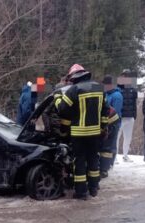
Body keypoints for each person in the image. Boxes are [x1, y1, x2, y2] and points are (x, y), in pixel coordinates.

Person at [55, 64, 109, 200]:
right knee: (93, 160)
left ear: (74, 77)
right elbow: (105, 110)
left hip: (79, 134)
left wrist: (57, 98)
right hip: (95, 133)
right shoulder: (99, 88)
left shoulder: (74, 89)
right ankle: (94, 188)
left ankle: (81, 193)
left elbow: (62, 110)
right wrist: (103, 127)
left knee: (79, 161)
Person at [99, 75, 122, 178]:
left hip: (113, 122)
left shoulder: (117, 95)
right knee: (106, 144)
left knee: (111, 144)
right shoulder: (107, 94)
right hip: (106, 122)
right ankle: (106, 164)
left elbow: (115, 112)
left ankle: (110, 164)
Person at [117, 70, 138, 163]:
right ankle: (114, 157)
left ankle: (125, 156)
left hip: (130, 117)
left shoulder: (133, 89)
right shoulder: (117, 88)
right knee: (116, 138)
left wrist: (134, 115)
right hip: (120, 117)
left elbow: (134, 104)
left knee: (128, 137)